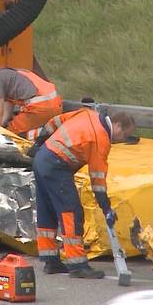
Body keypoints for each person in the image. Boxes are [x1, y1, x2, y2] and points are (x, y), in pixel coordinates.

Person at [31, 109, 136, 278]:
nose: (123, 139)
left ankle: (51, 260)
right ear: (117, 125)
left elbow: (55, 121)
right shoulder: (100, 139)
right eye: (125, 134)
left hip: (43, 157)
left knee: (47, 209)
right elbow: (98, 181)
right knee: (70, 212)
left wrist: (39, 144)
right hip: (57, 165)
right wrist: (106, 208)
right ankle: (77, 265)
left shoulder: (87, 114)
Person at [0, 61, 63, 140]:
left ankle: (46, 135)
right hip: (56, 105)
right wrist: (1, 125)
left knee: (10, 135)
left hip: (40, 108)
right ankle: (48, 133)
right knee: (9, 129)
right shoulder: (12, 74)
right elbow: (7, 111)